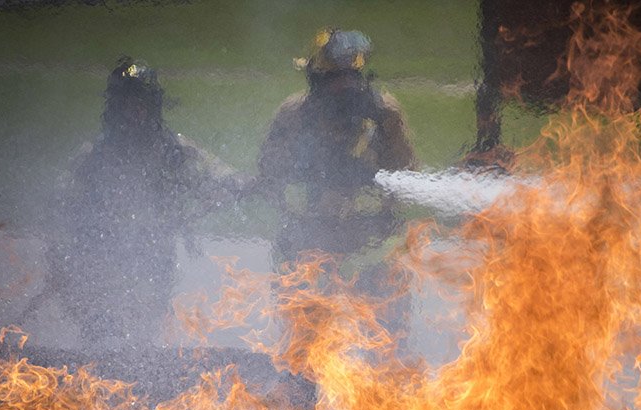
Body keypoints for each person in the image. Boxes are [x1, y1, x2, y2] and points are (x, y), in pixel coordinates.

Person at [25, 57, 251, 351]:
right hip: (103, 255)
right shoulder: (95, 155)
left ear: (153, 106)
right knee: (101, 334)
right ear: (115, 107)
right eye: (127, 103)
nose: (135, 112)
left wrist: (238, 182)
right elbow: (61, 201)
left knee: (141, 335)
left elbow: (214, 173)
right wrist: (64, 258)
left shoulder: (174, 149)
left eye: (141, 103)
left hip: (153, 257)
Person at [259, 29, 416, 296]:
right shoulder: (293, 116)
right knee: (304, 321)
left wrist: (363, 190)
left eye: (349, 78)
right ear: (316, 81)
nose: (342, 87)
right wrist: (316, 194)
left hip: (369, 241)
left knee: (384, 326)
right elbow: (269, 174)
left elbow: (406, 174)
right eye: (334, 79)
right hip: (308, 242)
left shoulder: (384, 116)